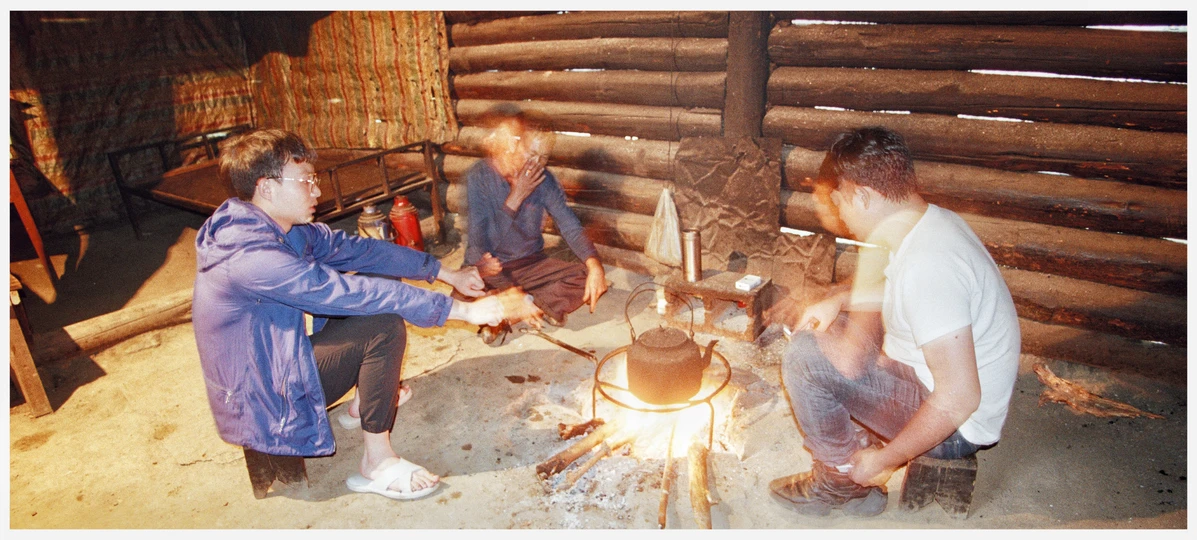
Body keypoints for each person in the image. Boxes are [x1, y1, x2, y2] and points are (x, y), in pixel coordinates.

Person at [192, 129, 524, 501]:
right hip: (265, 398)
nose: (316, 191)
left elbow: (357, 251)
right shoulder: (249, 256)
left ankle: (364, 400)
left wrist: (444, 272)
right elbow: (342, 292)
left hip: (278, 362)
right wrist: (460, 310)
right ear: (266, 188)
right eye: (305, 181)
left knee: (378, 270)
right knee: (383, 323)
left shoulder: (275, 226)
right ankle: (376, 463)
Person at [766, 127, 1020, 517]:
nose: (842, 217)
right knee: (842, 327)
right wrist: (838, 299)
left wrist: (886, 459)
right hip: (942, 383)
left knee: (803, 355)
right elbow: (903, 293)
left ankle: (840, 483)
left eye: (841, 204)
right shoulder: (931, 224)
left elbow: (960, 396)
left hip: (959, 426)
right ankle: (854, 444)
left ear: (864, 196)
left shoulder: (929, 264)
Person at [463, 112, 608, 344]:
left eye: (542, 156)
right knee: (464, 291)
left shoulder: (543, 177)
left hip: (532, 263)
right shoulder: (479, 177)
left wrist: (594, 264)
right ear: (507, 148)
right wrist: (516, 196)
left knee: (584, 276)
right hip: (492, 267)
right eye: (530, 153)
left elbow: (568, 223)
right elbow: (479, 247)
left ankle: (513, 312)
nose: (537, 162)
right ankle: (523, 305)